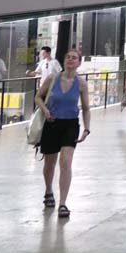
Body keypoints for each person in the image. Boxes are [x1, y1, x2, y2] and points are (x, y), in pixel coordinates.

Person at [35, 49, 90, 219]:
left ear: (79, 62)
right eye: (68, 57)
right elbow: (38, 97)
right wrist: (45, 110)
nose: (70, 60)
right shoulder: (53, 78)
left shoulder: (81, 83)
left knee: (65, 161)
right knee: (50, 164)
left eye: (74, 58)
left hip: (70, 124)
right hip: (52, 123)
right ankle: (48, 190)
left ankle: (63, 203)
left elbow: (86, 108)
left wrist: (87, 129)